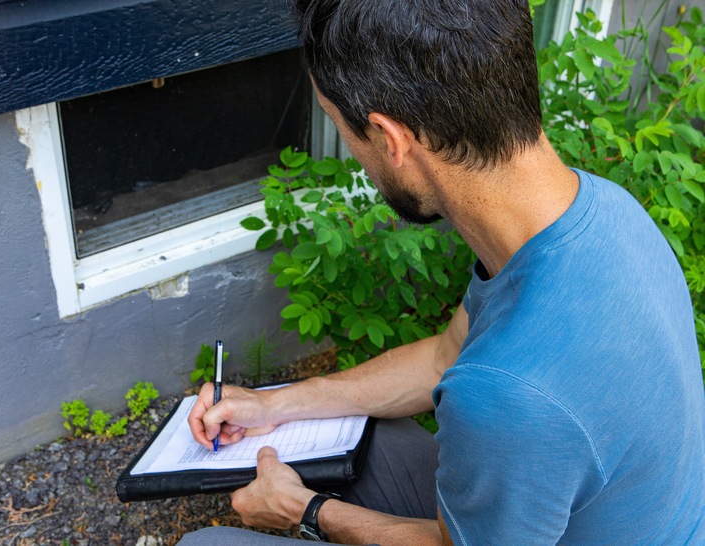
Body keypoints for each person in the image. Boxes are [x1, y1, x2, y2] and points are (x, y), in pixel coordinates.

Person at [178, 0, 705, 544]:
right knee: (359, 441)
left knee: (205, 544)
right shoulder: (602, 211)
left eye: (342, 129)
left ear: (390, 138)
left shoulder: (506, 393)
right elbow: (441, 358)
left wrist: (304, 511)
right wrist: (272, 404)